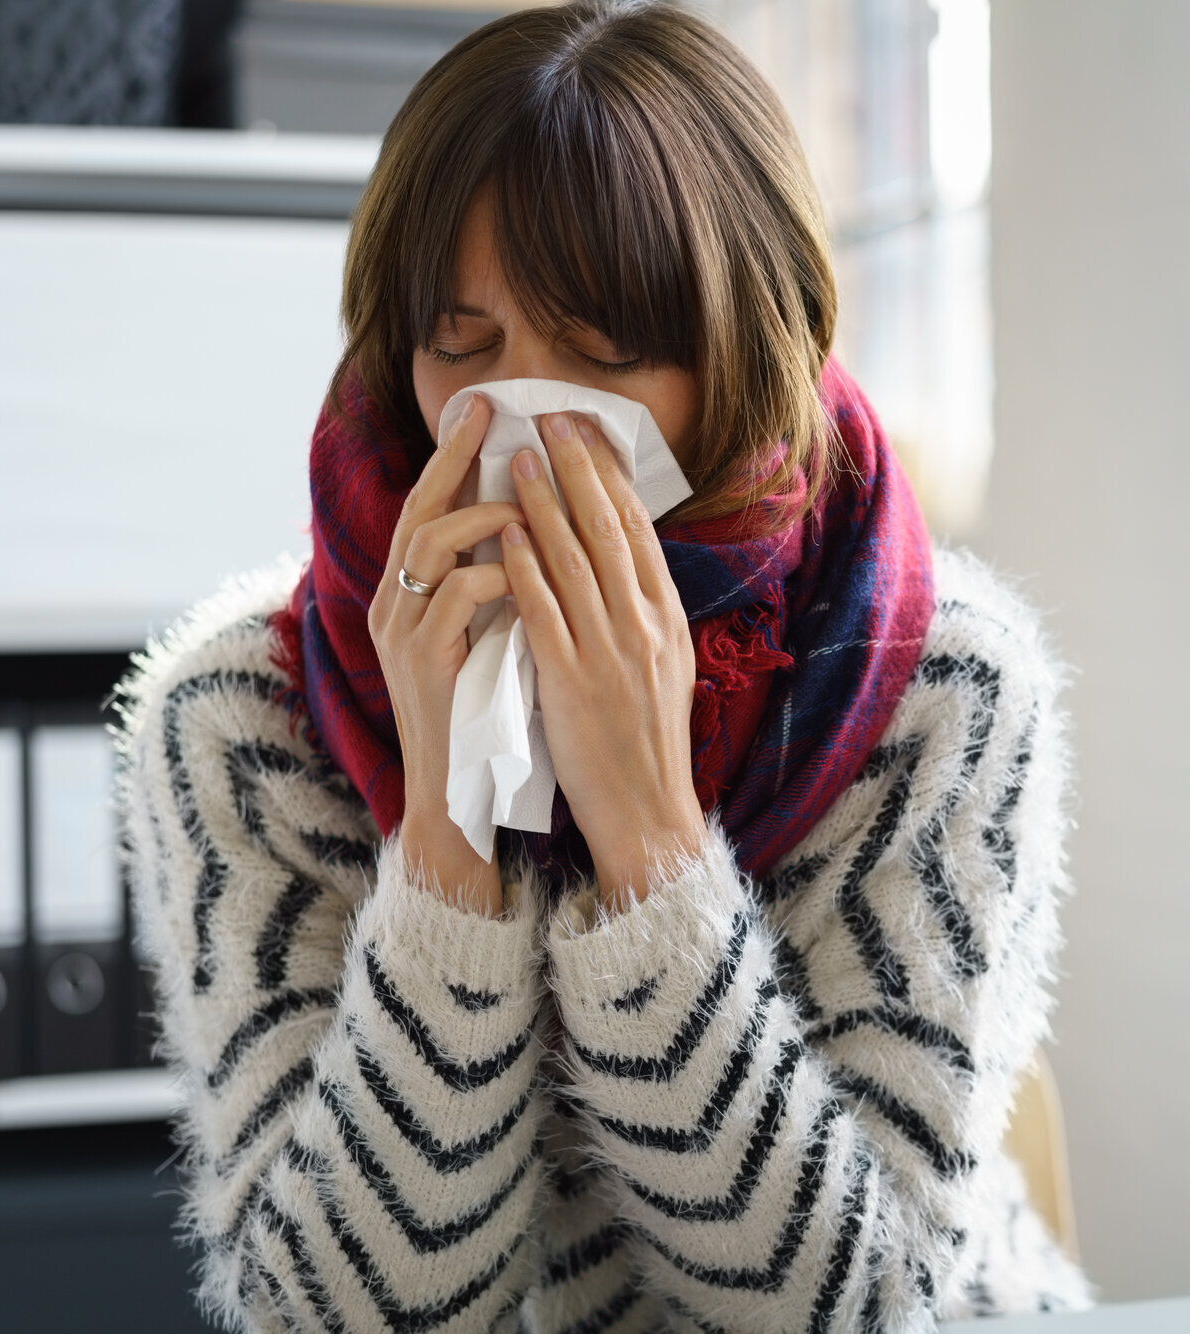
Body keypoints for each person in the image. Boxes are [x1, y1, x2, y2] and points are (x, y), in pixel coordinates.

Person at [115, 3, 1091, 1329]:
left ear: (744, 348)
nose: (523, 412)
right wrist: (444, 840)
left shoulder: (942, 694)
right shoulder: (239, 722)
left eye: (602, 348)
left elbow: (851, 1311)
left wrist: (648, 835)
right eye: (463, 342)